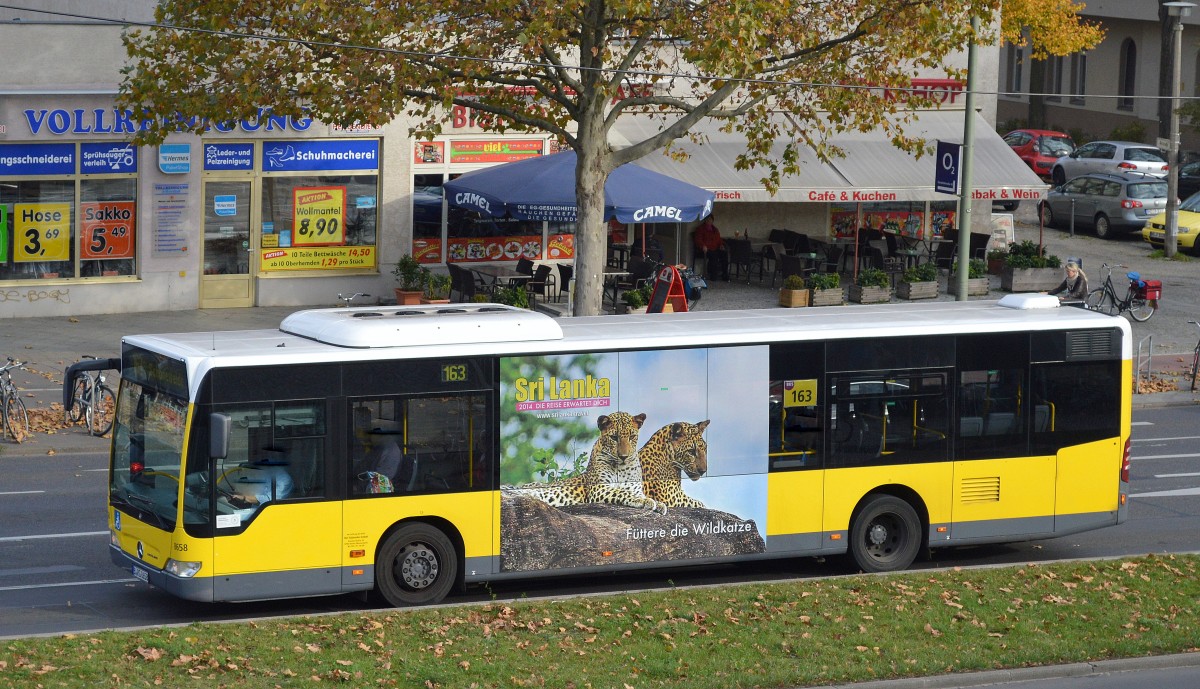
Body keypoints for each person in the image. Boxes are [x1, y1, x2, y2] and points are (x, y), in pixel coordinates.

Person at [693, 215, 729, 281]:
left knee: (724, 254)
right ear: (704, 220)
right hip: (705, 249)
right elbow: (698, 240)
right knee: (714, 256)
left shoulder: (715, 229)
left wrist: (721, 245)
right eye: (707, 219)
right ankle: (713, 276)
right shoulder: (700, 229)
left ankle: (725, 274)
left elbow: (719, 239)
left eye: (710, 219)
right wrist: (703, 246)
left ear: (712, 221)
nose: (708, 221)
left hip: (715, 248)